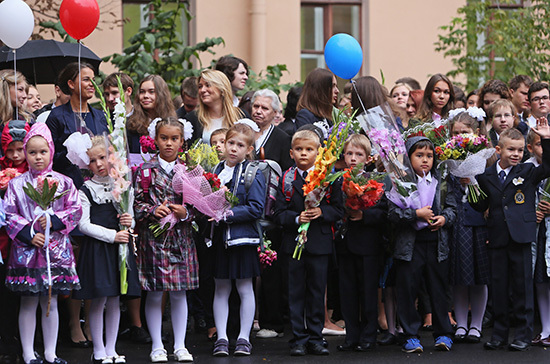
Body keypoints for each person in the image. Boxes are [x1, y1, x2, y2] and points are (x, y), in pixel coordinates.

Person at [4, 123, 82, 364]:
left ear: (51, 150)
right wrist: (29, 233)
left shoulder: (64, 182)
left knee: (51, 301)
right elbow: (9, 214)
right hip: (26, 252)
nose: (38, 157)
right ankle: (28, 353)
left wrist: (53, 221)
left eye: (43, 151)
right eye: (32, 152)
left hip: (55, 252)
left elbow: (76, 209)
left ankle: (51, 352)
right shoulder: (17, 184)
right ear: (25, 153)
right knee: (28, 302)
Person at [469, 122, 550, 351]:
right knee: (499, 287)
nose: (516, 154)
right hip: (497, 237)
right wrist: (471, 186)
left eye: (520, 150)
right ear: (498, 150)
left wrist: (546, 141)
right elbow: (480, 205)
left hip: (521, 237)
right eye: (510, 149)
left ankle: (523, 334)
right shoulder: (485, 176)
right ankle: (499, 335)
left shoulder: (527, 171)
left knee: (523, 287)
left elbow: (548, 167)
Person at [274, 129, 345, 356]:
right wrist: (296, 218)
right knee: (295, 292)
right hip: (293, 244)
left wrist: (321, 212)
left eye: (309, 149)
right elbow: (278, 214)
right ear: (291, 152)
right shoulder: (286, 179)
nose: (304, 154)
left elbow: (338, 209)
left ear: (318, 152)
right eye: (299, 149)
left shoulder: (327, 178)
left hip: (319, 243)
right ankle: (298, 338)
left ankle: (316, 337)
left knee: (316, 291)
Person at [134, 117, 197, 363]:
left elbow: (202, 208)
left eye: (174, 138)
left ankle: (180, 344)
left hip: (181, 238)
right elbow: (136, 203)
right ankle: (158, 344)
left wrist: (187, 213)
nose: (169, 143)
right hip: (154, 239)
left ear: (182, 141)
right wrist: (151, 211)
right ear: (155, 139)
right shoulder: (144, 170)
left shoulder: (191, 169)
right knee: (154, 291)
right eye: (164, 138)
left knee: (180, 292)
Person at [72, 136, 141, 363]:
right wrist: (112, 236)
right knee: (99, 299)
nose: (99, 164)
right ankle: (99, 348)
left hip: (119, 249)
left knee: (114, 298)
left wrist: (129, 220)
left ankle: (112, 348)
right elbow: (83, 224)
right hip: (99, 249)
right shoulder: (86, 189)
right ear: (86, 164)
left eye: (102, 158)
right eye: (93, 160)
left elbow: (129, 215)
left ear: (111, 157)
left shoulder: (122, 184)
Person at [388, 136, 456, 353]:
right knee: (408, 289)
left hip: (436, 244)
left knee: (438, 289)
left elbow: (453, 208)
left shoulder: (441, 181)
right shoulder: (399, 184)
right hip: (409, 246)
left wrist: (444, 218)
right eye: (419, 155)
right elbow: (392, 214)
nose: (425, 160)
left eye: (429, 156)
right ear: (408, 158)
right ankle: (410, 335)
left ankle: (444, 333)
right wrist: (415, 213)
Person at [210, 122, 266, 357]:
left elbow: (256, 208)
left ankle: (244, 337)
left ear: (249, 149)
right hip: (220, 238)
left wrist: (227, 214)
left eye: (239, 145)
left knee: (244, 287)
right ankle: (222, 337)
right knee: (221, 287)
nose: (233, 149)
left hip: (243, 240)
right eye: (230, 143)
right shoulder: (214, 170)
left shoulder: (253, 172)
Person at [336, 134, 387, 352]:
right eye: (349, 153)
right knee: (347, 291)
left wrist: (363, 216)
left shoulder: (374, 181)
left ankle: (368, 334)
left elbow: (385, 212)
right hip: (345, 243)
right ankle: (351, 336)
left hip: (368, 244)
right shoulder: (337, 179)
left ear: (368, 158)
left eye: (359, 154)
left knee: (367, 291)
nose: (353, 158)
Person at [447, 110, 490, 344]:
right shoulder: (447, 159)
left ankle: (476, 324)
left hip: (479, 222)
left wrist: (473, 180)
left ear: (476, 134)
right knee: (459, 276)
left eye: (465, 132)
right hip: (458, 224)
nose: (461, 137)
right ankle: (461, 323)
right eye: (456, 133)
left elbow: (490, 193)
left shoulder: (485, 159)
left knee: (479, 276)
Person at [46, 62, 108, 188]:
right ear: (71, 84)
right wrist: (70, 152)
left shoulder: (101, 116)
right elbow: (49, 155)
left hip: (101, 186)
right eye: (86, 79)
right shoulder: (57, 116)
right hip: (70, 185)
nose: (92, 84)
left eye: (94, 80)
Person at [0, 119, 31, 364]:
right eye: (9, 150)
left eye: (20, 149)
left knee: (28, 295)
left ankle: (29, 343)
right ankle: (8, 340)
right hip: (5, 242)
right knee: (7, 294)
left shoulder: (35, 170)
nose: (15, 155)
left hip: (29, 241)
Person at [527, 129, 550, 348]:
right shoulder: (529, 168)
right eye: (540, 144)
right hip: (539, 229)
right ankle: (546, 328)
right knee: (541, 279)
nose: (544, 148)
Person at [186, 69, 245, 145]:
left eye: (208, 85)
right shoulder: (193, 118)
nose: (202, 90)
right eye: (200, 86)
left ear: (222, 90)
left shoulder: (241, 116)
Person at [127, 75, 176, 158]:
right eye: (142, 92)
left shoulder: (173, 123)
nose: (145, 96)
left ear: (161, 94)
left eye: (151, 92)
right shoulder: (130, 124)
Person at [251, 89, 293, 170]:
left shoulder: (283, 139)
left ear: (274, 112)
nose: (258, 111)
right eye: (256, 106)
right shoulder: (242, 132)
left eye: (264, 108)